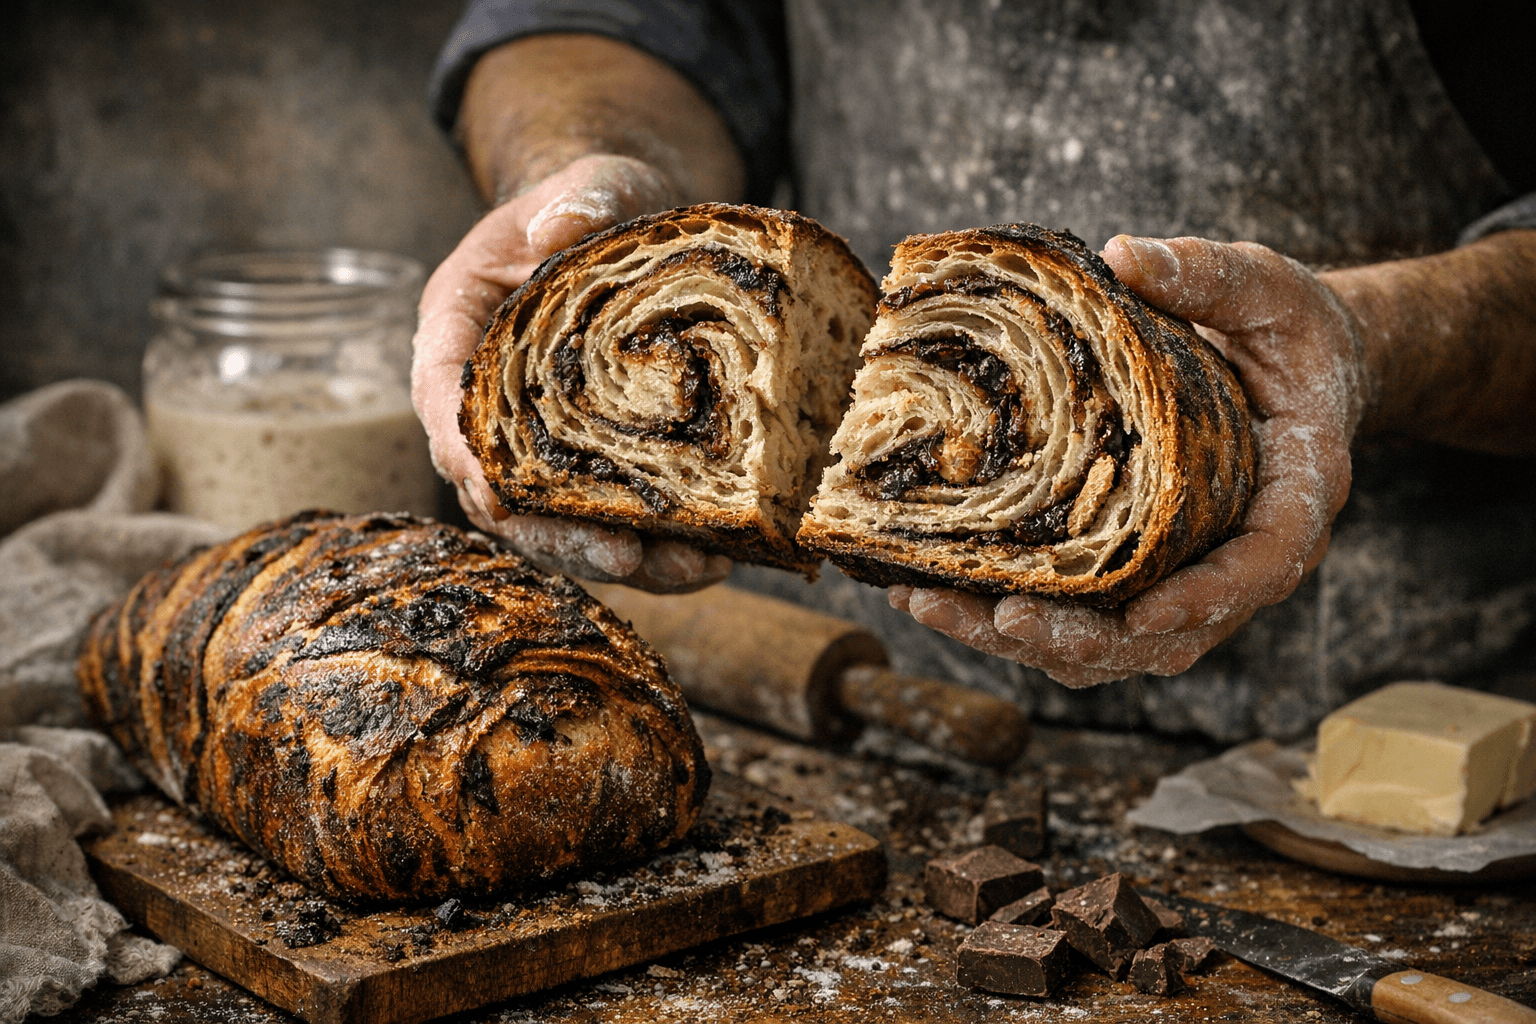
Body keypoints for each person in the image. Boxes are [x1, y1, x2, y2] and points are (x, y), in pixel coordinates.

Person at [412, 1, 1536, 738]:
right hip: (864, 710)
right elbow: (596, 23)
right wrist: (583, 178)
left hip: (1395, 761)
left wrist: (1371, 341)